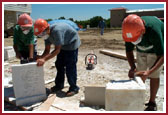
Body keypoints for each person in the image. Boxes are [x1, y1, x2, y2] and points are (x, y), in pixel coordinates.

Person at [122, 14, 164, 111]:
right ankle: (138, 99)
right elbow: (129, 51)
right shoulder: (129, 31)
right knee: (140, 74)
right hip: (141, 49)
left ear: (143, 31)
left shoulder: (154, 30)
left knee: (154, 75)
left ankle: (152, 102)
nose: (134, 41)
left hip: (156, 50)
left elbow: (162, 56)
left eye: (136, 39)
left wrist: (149, 72)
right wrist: (133, 67)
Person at [34, 19, 81, 96]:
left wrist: (44, 59)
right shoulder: (46, 35)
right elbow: (47, 50)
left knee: (70, 67)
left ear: (47, 28)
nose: (42, 36)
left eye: (42, 33)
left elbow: (57, 50)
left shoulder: (57, 31)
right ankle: (59, 85)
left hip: (72, 44)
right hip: (63, 45)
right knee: (59, 64)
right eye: (40, 35)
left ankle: (74, 88)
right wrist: (41, 57)